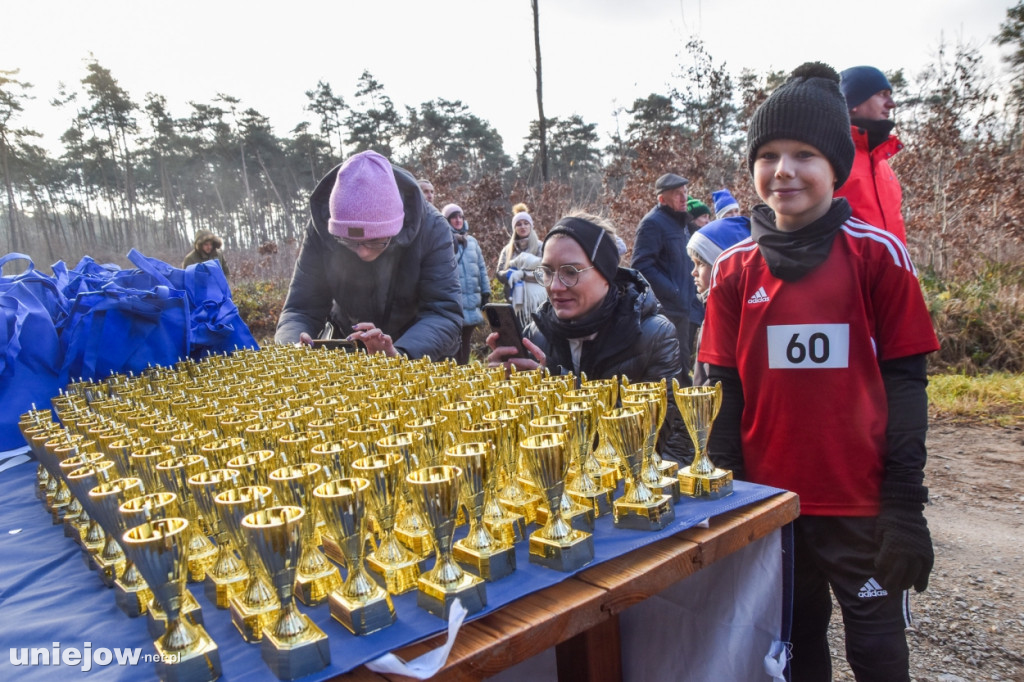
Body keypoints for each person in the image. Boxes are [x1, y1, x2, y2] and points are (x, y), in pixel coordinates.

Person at [699, 63, 939, 681]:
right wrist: (732, 505)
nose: (784, 171)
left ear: (836, 165)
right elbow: (722, 395)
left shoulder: (877, 256)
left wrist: (905, 505)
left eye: (804, 154)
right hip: (774, 510)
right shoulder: (732, 271)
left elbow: (907, 387)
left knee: (879, 657)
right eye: (769, 154)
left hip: (861, 509)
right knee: (797, 652)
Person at [487, 211, 689, 461]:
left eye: (571, 272)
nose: (555, 286)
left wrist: (554, 392)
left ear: (606, 274)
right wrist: (505, 393)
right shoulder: (536, 334)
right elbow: (527, 444)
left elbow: (660, 439)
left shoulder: (652, 334)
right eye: (547, 271)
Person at [274, 150, 462, 359]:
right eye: (349, 242)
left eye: (375, 241)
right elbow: (300, 308)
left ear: (397, 228)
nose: (362, 252)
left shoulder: (432, 228)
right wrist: (291, 346)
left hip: (419, 355)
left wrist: (400, 354)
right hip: (350, 350)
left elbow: (443, 313)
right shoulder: (322, 229)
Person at [631, 173, 703, 383]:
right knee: (675, 372)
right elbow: (641, 265)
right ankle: (678, 414)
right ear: (662, 199)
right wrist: (674, 291)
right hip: (669, 311)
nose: (684, 199)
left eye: (685, 193)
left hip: (687, 308)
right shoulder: (652, 223)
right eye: (677, 194)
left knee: (685, 366)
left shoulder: (680, 222)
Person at [835, 65, 907, 245]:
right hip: (847, 272)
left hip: (893, 272)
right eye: (882, 94)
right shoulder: (830, 157)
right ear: (853, 103)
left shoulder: (883, 165)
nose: (891, 103)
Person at [685, 216, 751, 386]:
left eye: (700, 264)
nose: (693, 272)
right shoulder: (708, 312)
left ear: (720, 265)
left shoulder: (731, 318)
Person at [442, 203, 491, 364]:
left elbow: (481, 268)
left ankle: (464, 374)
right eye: (453, 217)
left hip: (472, 303)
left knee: (466, 343)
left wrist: (486, 292)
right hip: (454, 304)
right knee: (453, 345)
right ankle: (454, 376)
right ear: (447, 220)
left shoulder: (473, 242)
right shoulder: (442, 240)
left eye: (460, 216)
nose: (458, 220)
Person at [495, 204, 546, 326]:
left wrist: (523, 274)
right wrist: (509, 274)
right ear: (514, 228)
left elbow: (547, 275)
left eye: (526, 223)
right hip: (513, 301)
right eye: (519, 224)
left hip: (538, 303)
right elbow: (499, 273)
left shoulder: (541, 247)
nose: (523, 226)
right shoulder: (508, 250)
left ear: (531, 226)